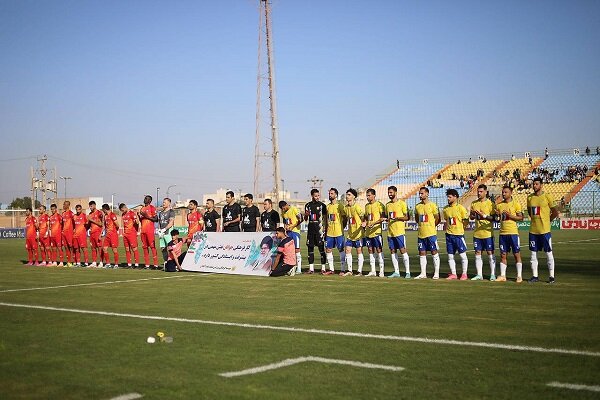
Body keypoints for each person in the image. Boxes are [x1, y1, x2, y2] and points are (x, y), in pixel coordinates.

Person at [527, 177, 559, 283]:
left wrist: (547, 220)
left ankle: (551, 276)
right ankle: (535, 276)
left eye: (536, 184)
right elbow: (529, 211)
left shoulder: (547, 196)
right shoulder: (530, 197)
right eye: (533, 184)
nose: (534, 186)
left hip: (545, 231)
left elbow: (555, 212)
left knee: (548, 253)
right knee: (533, 254)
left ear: (541, 185)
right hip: (533, 231)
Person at [496, 186, 524, 282]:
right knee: (503, 255)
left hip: (513, 233)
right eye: (503, 192)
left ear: (511, 193)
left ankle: (519, 276)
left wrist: (510, 215)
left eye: (506, 192)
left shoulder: (516, 204)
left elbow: (521, 218)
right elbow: (499, 218)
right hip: (502, 233)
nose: (503, 194)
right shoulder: (499, 205)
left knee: (517, 254)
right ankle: (503, 275)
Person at [469, 184, 497, 281]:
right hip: (477, 233)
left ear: (486, 192)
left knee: (490, 252)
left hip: (488, 233)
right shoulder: (474, 203)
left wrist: (483, 215)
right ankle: (479, 274)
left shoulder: (491, 204)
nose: (479, 193)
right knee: (477, 252)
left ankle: (493, 274)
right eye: (478, 191)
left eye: (481, 191)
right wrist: (473, 215)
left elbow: (494, 218)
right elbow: (471, 216)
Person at [442, 189, 470, 280]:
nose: (448, 198)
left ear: (455, 197)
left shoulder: (461, 208)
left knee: (463, 255)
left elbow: (466, 221)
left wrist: (461, 229)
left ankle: (464, 274)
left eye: (450, 197)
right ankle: (453, 274)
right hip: (449, 235)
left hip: (458, 235)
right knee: (450, 255)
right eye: (448, 197)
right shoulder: (445, 209)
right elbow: (447, 220)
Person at [414, 187, 441, 279]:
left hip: (431, 234)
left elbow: (438, 218)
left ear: (427, 194)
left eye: (422, 193)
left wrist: (432, 226)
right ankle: (423, 273)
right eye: (419, 193)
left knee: (434, 252)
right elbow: (417, 218)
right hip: (421, 234)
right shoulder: (417, 206)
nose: (420, 195)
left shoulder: (433, 205)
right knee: (422, 253)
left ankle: (436, 273)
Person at [385, 186, 411, 278]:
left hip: (399, 232)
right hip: (390, 232)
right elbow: (387, 218)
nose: (389, 194)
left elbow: (407, 217)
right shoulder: (387, 205)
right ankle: (396, 272)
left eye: (391, 192)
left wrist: (398, 218)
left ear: (395, 192)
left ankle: (407, 272)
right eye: (388, 193)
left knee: (403, 250)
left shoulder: (402, 203)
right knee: (392, 251)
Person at [363, 188, 386, 277]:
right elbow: (366, 217)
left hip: (377, 232)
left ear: (374, 195)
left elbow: (383, 218)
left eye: (369, 195)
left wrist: (373, 223)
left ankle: (381, 271)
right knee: (370, 250)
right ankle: (373, 270)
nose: (367, 197)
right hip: (368, 233)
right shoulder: (366, 206)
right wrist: (365, 222)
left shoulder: (380, 205)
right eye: (367, 196)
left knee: (379, 250)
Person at [304, 189, 327, 274]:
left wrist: (325, 228)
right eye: (315, 196)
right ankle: (311, 269)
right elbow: (306, 219)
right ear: (312, 196)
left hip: (319, 230)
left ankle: (323, 268)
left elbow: (325, 218)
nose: (317, 197)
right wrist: (305, 216)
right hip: (310, 229)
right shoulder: (308, 205)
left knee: (321, 248)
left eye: (318, 195)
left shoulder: (322, 206)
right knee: (310, 248)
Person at [324, 188, 346, 275]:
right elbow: (326, 220)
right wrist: (325, 230)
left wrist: (342, 227)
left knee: (341, 249)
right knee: (328, 249)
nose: (330, 195)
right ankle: (331, 269)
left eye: (332, 193)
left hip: (338, 232)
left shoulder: (340, 206)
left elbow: (344, 218)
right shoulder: (328, 206)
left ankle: (343, 269)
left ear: (336, 195)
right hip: (329, 233)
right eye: (329, 193)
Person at [343, 188, 364, 276]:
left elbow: (363, 216)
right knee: (347, 250)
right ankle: (350, 270)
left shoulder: (357, 207)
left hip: (358, 234)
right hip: (350, 234)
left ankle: (359, 271)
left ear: (354, 196)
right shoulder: (346, 208)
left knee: (359, 251)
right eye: (347, 195)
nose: (347, 196)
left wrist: (364, 222)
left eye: (349, 195)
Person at [279, 200, 303, 275]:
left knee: (297, 250)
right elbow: (284, 221)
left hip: (295, 232)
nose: (283, 210)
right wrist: (285, 227)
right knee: (289, 251)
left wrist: (293, 226)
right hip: (288, 233)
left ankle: (299, 269)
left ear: (286, 205)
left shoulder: (294, 209)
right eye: (281, 209)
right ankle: (290, 268)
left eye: (283, 208)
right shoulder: (283, 213)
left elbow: (301, 219)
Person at [138, 195, 159, 269]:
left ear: (150, 201)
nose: (145, 199)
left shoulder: (152, 208)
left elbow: (156, 219)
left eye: (146, 199)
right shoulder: (142, 209)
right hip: (143, 230)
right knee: (144, 247)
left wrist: (146, 216)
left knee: (152, 247)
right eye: (144, 198)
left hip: (149, 230)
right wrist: (139, 216)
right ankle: (147, 265)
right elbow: (141, 220)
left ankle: (155, 265)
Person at [119, 203, 140, 268]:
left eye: (122, 210)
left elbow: (137, 223)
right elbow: (123, 224)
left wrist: (136, 216)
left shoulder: (131, 213)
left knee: (134, 249)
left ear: (125, 207)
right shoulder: (123, 214)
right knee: (127, 249)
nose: (122, 212)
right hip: (125, 234)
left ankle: (136, 264)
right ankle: (129, 264)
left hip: (132, 234)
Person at [101, 203, 120, 268]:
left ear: (105, 209)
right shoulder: (105, 216)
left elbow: (117, 225)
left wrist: (114, 231)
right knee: (104, 248)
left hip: (113, 235)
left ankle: (116, 264)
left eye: (103, 210)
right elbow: (104, 226)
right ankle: (108, 264)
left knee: (114, 249)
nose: (102, 211)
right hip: (107, 235)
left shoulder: (112, 215)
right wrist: (101, 233)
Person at [87, 201, 104, 267]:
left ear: (94, 205)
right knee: (93, 248)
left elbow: (101, 224)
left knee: (99, 247)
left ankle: (101, 262)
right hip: (92, 233)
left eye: (91, 206)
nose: (90, 208)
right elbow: (89, 224)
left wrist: (91, 220)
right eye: (89, 206)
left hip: (97, 232)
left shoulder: (99, 213)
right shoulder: (90, 214)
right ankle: (94, 262)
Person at [61, 201, 75, 267]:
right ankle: (68, 262)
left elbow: (75, 222)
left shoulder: (71, 213)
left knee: (71, 247)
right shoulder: (63, 213)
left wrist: (74, 229)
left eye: (64, 204)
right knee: (66, 247)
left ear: (68, 205)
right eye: (63, 204)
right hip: (64, 233)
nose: (63, 205)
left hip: (69, 233)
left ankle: (74, 261)